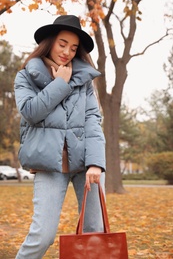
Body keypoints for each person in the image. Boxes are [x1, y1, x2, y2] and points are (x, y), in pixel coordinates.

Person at [14, 15, 106, 259]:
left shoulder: (84, 80)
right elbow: (31, 113)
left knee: (93, 234)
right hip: (49, 164)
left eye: (73, 48)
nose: (67, 52)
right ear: (50, 42)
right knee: (42, 235)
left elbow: (92, 120)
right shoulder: (26, 76)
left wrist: (95, 163)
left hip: (87, 164)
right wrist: (60, 84)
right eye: (62, 44)